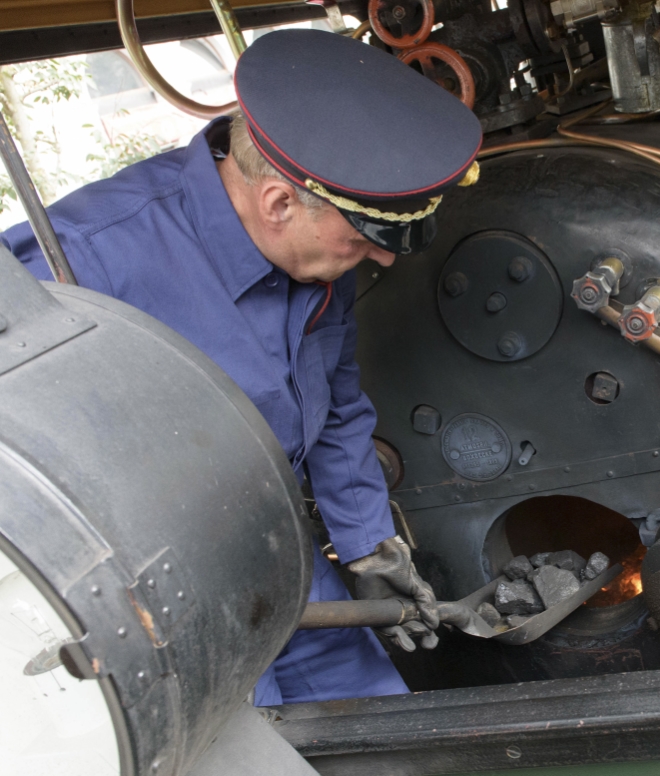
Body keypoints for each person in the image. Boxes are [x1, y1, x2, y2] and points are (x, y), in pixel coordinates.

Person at [1, 28, 482, 705]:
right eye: (365, 239)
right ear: (280, 202)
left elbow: (339, 404)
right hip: (154, 600)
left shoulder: (316, 249)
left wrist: (370, 544)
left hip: (278, 551)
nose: (383, 259)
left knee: (387, 734)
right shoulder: (81, 261)